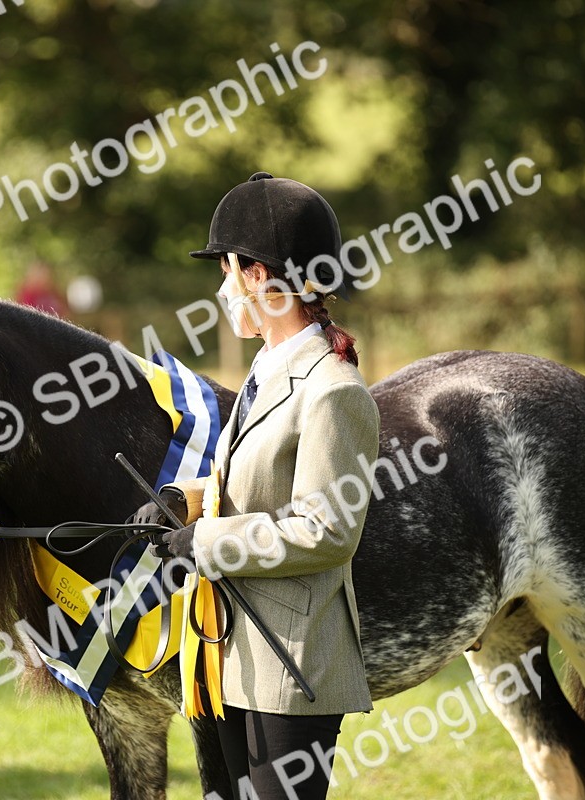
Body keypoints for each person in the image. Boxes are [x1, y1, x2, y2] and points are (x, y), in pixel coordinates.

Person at [130, 172, 380, 800]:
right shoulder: (265, 372)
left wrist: (207, 544)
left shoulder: (334, 392)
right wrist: (181, 504)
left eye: (226, 272)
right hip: (233, 652)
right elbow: (253, 486)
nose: (220, 290)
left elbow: (327, 532)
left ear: (261, 276)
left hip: (292, 663)